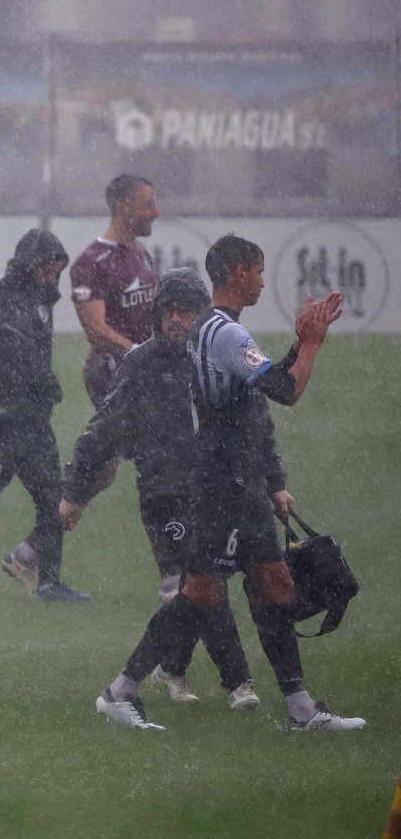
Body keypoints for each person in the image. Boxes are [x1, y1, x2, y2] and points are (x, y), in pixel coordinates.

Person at [95, 234, 363, 732]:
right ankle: (119, 691)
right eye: (258, 271)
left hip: (240, 483)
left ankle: (302, 711)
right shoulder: (224, 332)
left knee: (276, 583)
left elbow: (258, 382)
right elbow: (286, 390)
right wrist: (311, 344)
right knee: (200, 594)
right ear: (238, 273)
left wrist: (296, 345)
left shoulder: (215, 328)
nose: (263, 280)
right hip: (224, 484)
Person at [62, 268, 258, 710]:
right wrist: (75, 490)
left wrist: (270, 480)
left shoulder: (216, 358)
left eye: (185, 311)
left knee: (200, 586)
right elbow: (103, 429)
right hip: (163, 495)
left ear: (201, 313)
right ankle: (237, 682)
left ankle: (172, 668)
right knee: (201, 583)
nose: (175, 319)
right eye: (167, 311)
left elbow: (253, 423)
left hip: (214, 491)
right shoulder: (141, 363)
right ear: (156, 315)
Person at [0, 228, 90, 601]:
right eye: (46, 269)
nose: (51, 278)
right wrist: (5, 379)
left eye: (57, 272)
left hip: (31, 422)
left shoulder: (43, 299)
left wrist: (44, 383)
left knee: (52, 498)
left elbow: (31, 354)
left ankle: (49, 584)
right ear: (28, 264)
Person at [67, 174, 159, 506]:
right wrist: (139, 353)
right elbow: (95, 330)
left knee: (104, 472)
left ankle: (36, 542)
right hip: (113, 377)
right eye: (148, 204)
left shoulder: (142, 253)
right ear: (123, 208)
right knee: (164, 457)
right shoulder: (91, 262)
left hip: (145, 375)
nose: (156, 212)